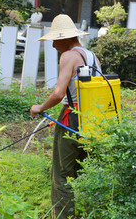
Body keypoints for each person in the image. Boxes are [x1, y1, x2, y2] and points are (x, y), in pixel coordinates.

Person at [30, 14, 102, 219]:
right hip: (93, 118)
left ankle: (63, 216)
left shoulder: (68, 56)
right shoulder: (92, 56)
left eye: (54, 39)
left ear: (65, 38)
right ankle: (86, 213)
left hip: (71, 117)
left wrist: (39, 107)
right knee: (84, 169)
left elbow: (59, 93)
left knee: (61, 174)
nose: (53, 45)